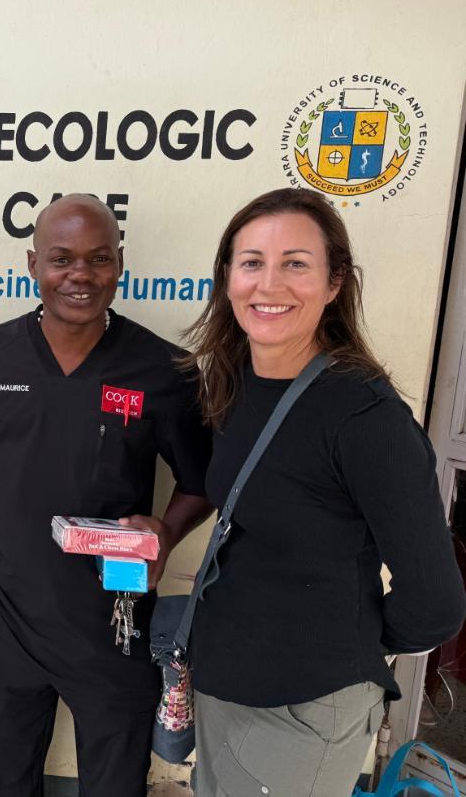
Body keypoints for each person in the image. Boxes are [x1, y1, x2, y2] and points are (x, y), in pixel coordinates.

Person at [0, 194, 214, 796]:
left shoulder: (163, 369)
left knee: (113, 785)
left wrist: (164, 533)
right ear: (33, 264)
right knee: (3, 783)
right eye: (61, 259)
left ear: (120, 264)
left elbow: (202, 481)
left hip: (115, 623)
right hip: (5, 616)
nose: (79, 275)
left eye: (98, 259)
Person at [184, 187, 466, 796]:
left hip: (301, 711)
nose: (269, 283)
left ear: (335, 283)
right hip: (226, 686)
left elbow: (437, 604)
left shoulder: (363, 417)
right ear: (227, 277)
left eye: (296, 264)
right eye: (252, 261)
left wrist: (347, 651)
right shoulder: (236, 386)